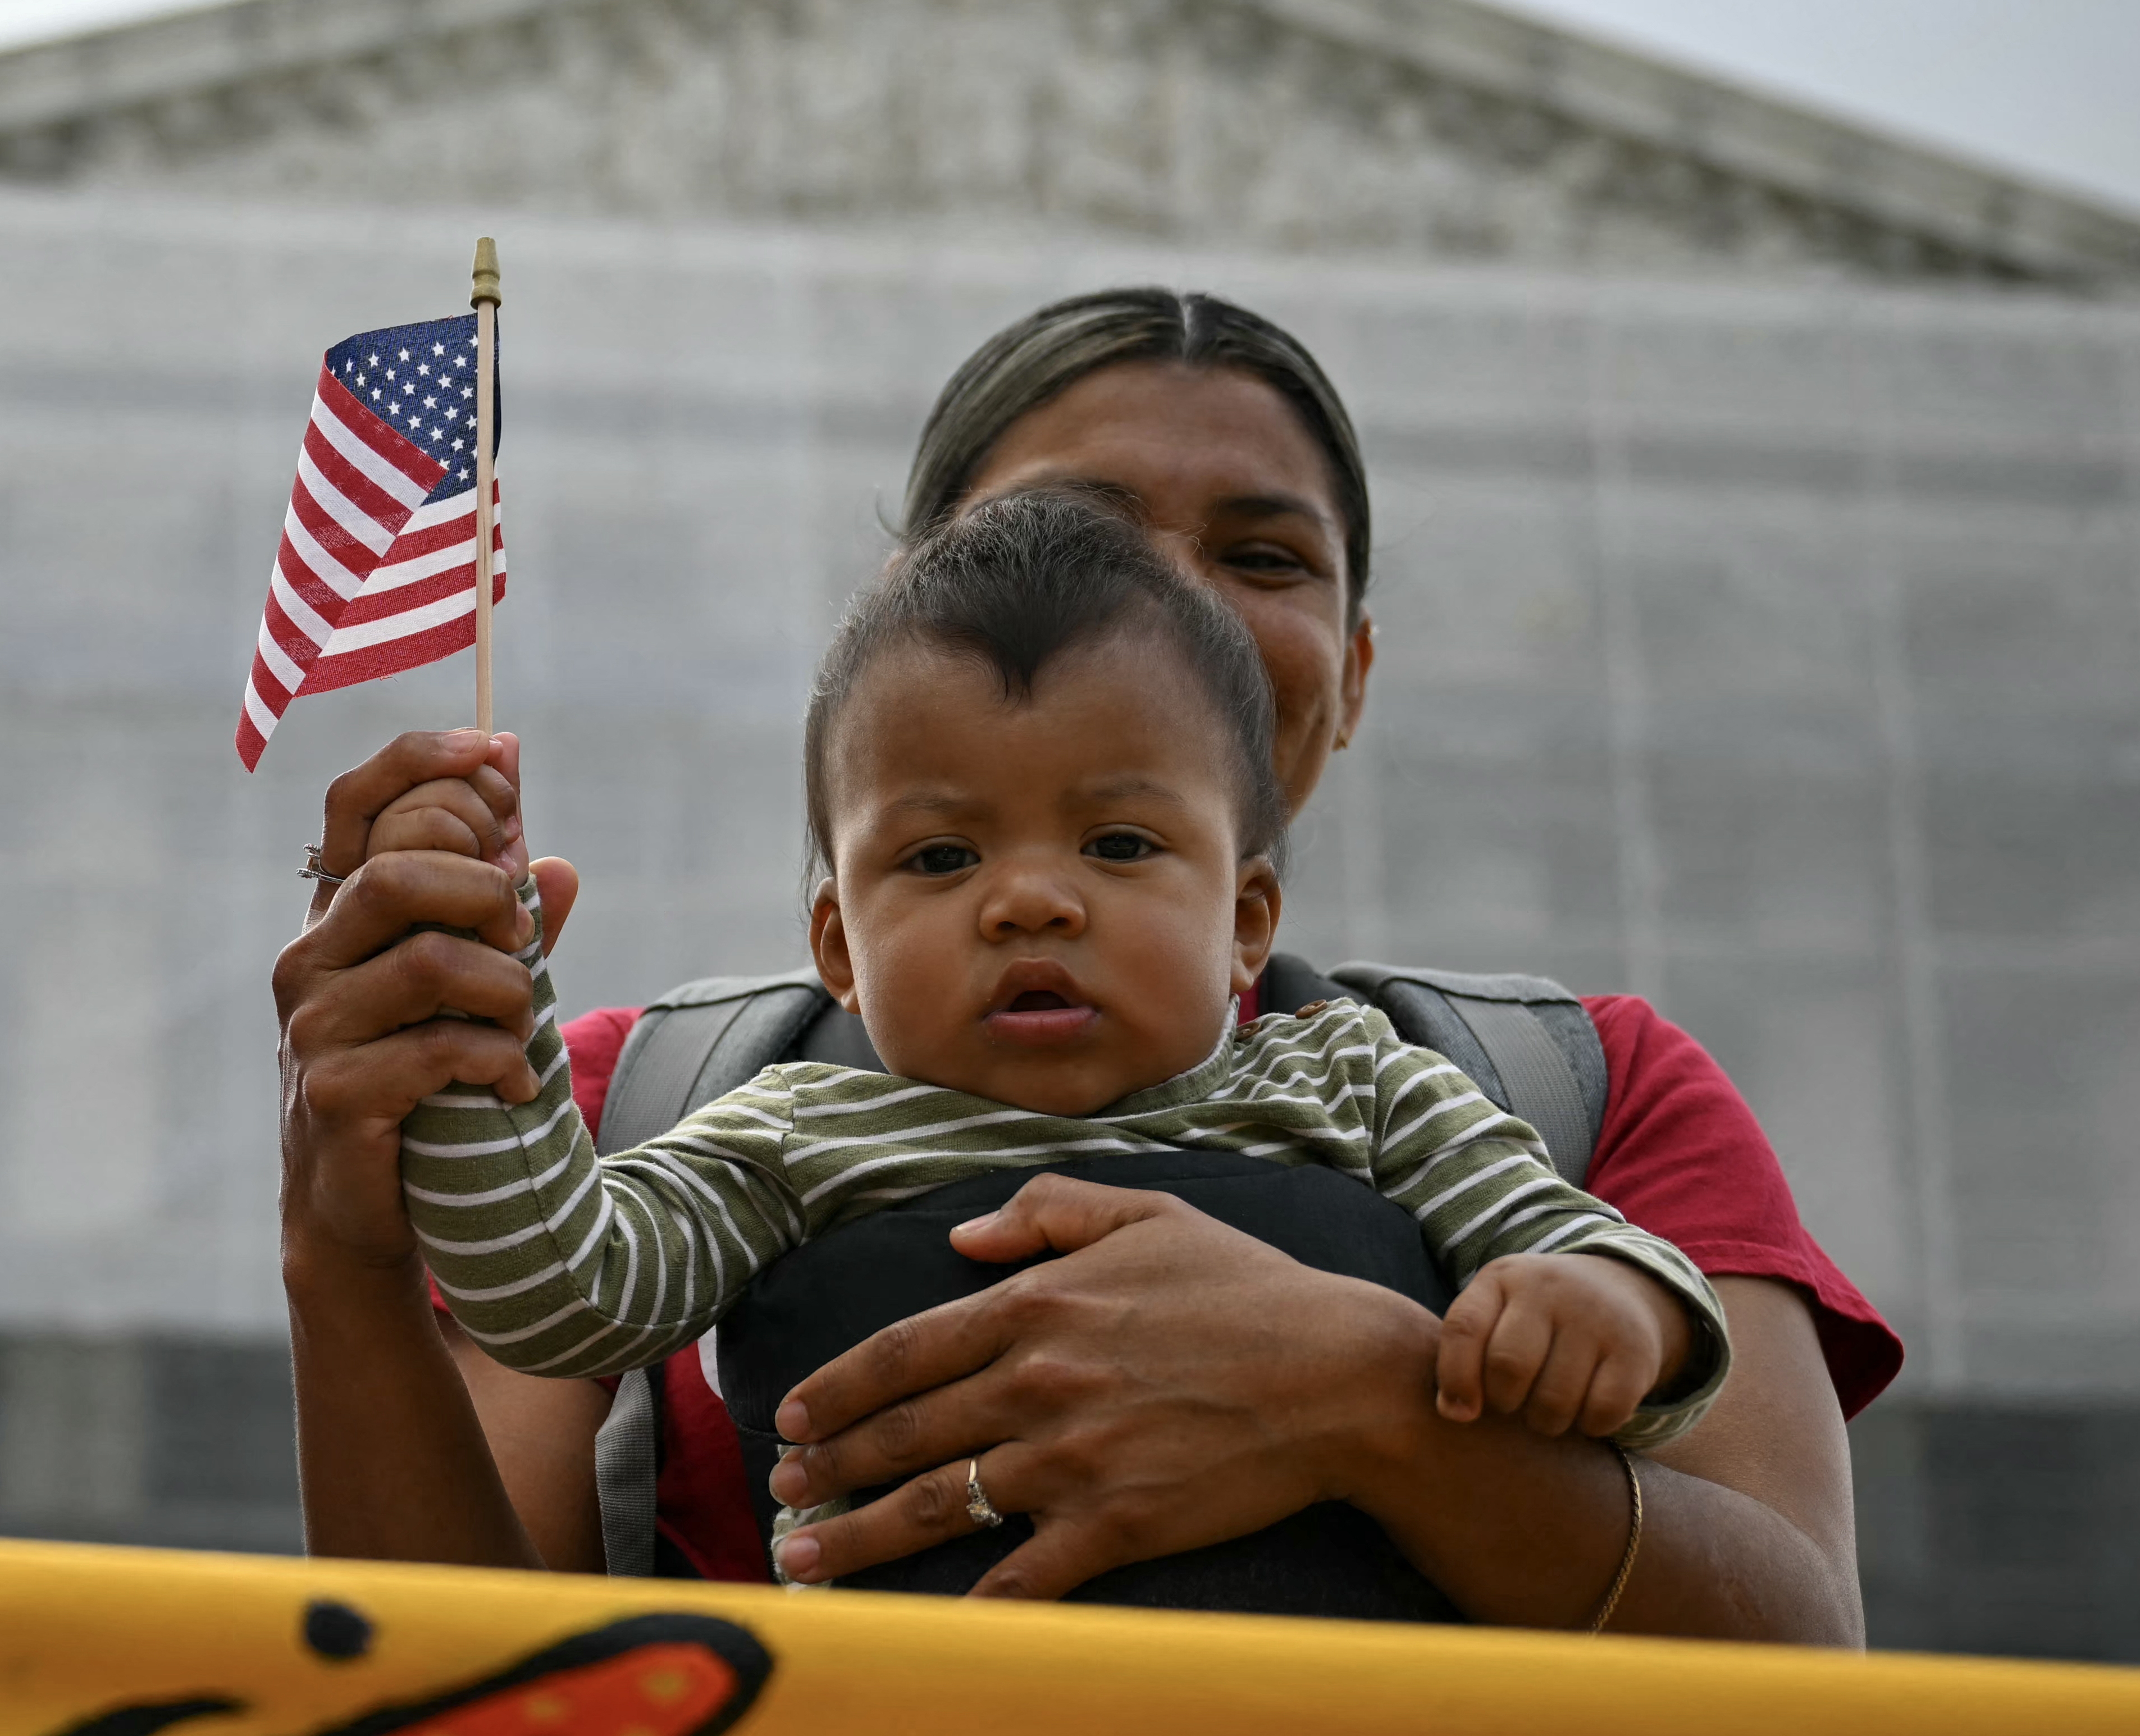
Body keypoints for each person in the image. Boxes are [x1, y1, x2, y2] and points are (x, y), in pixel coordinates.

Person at [277, 287, 1889, 1639]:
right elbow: (458, 1661)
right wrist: (354, 1226)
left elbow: (1795, 1662)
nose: (1161, 608)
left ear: (1354, 668)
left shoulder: (1541, 1090)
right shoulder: (672, 1106)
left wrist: (1372, 1401)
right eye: (1066, 542)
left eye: (1262, 558)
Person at [401, 488, 1726, 1596]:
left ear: (1246, 919)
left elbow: (1584, 1253)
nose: (1029, 897)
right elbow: (555, 1296)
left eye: (1118, 844)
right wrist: (480, 1036)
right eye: (938, 854)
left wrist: (1612, 1313)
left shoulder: (1362, 1083)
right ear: (839, 949)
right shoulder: (784, 1132)